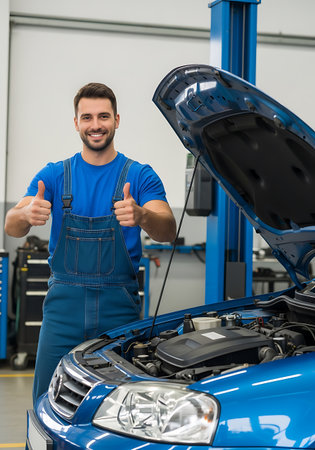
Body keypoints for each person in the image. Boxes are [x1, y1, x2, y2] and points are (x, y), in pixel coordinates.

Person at [4, 82, 176, 404]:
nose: (95, 125)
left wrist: (141, 216)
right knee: (47, 401)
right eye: (87, 117)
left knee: (118, 406)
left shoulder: (139, 176)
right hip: (62, 313)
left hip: (118, 311)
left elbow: (167, 229)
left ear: (117, 120)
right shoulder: (54, 175)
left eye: (103, 116)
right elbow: (11, 227)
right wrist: (27, 212)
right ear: (76, 123)